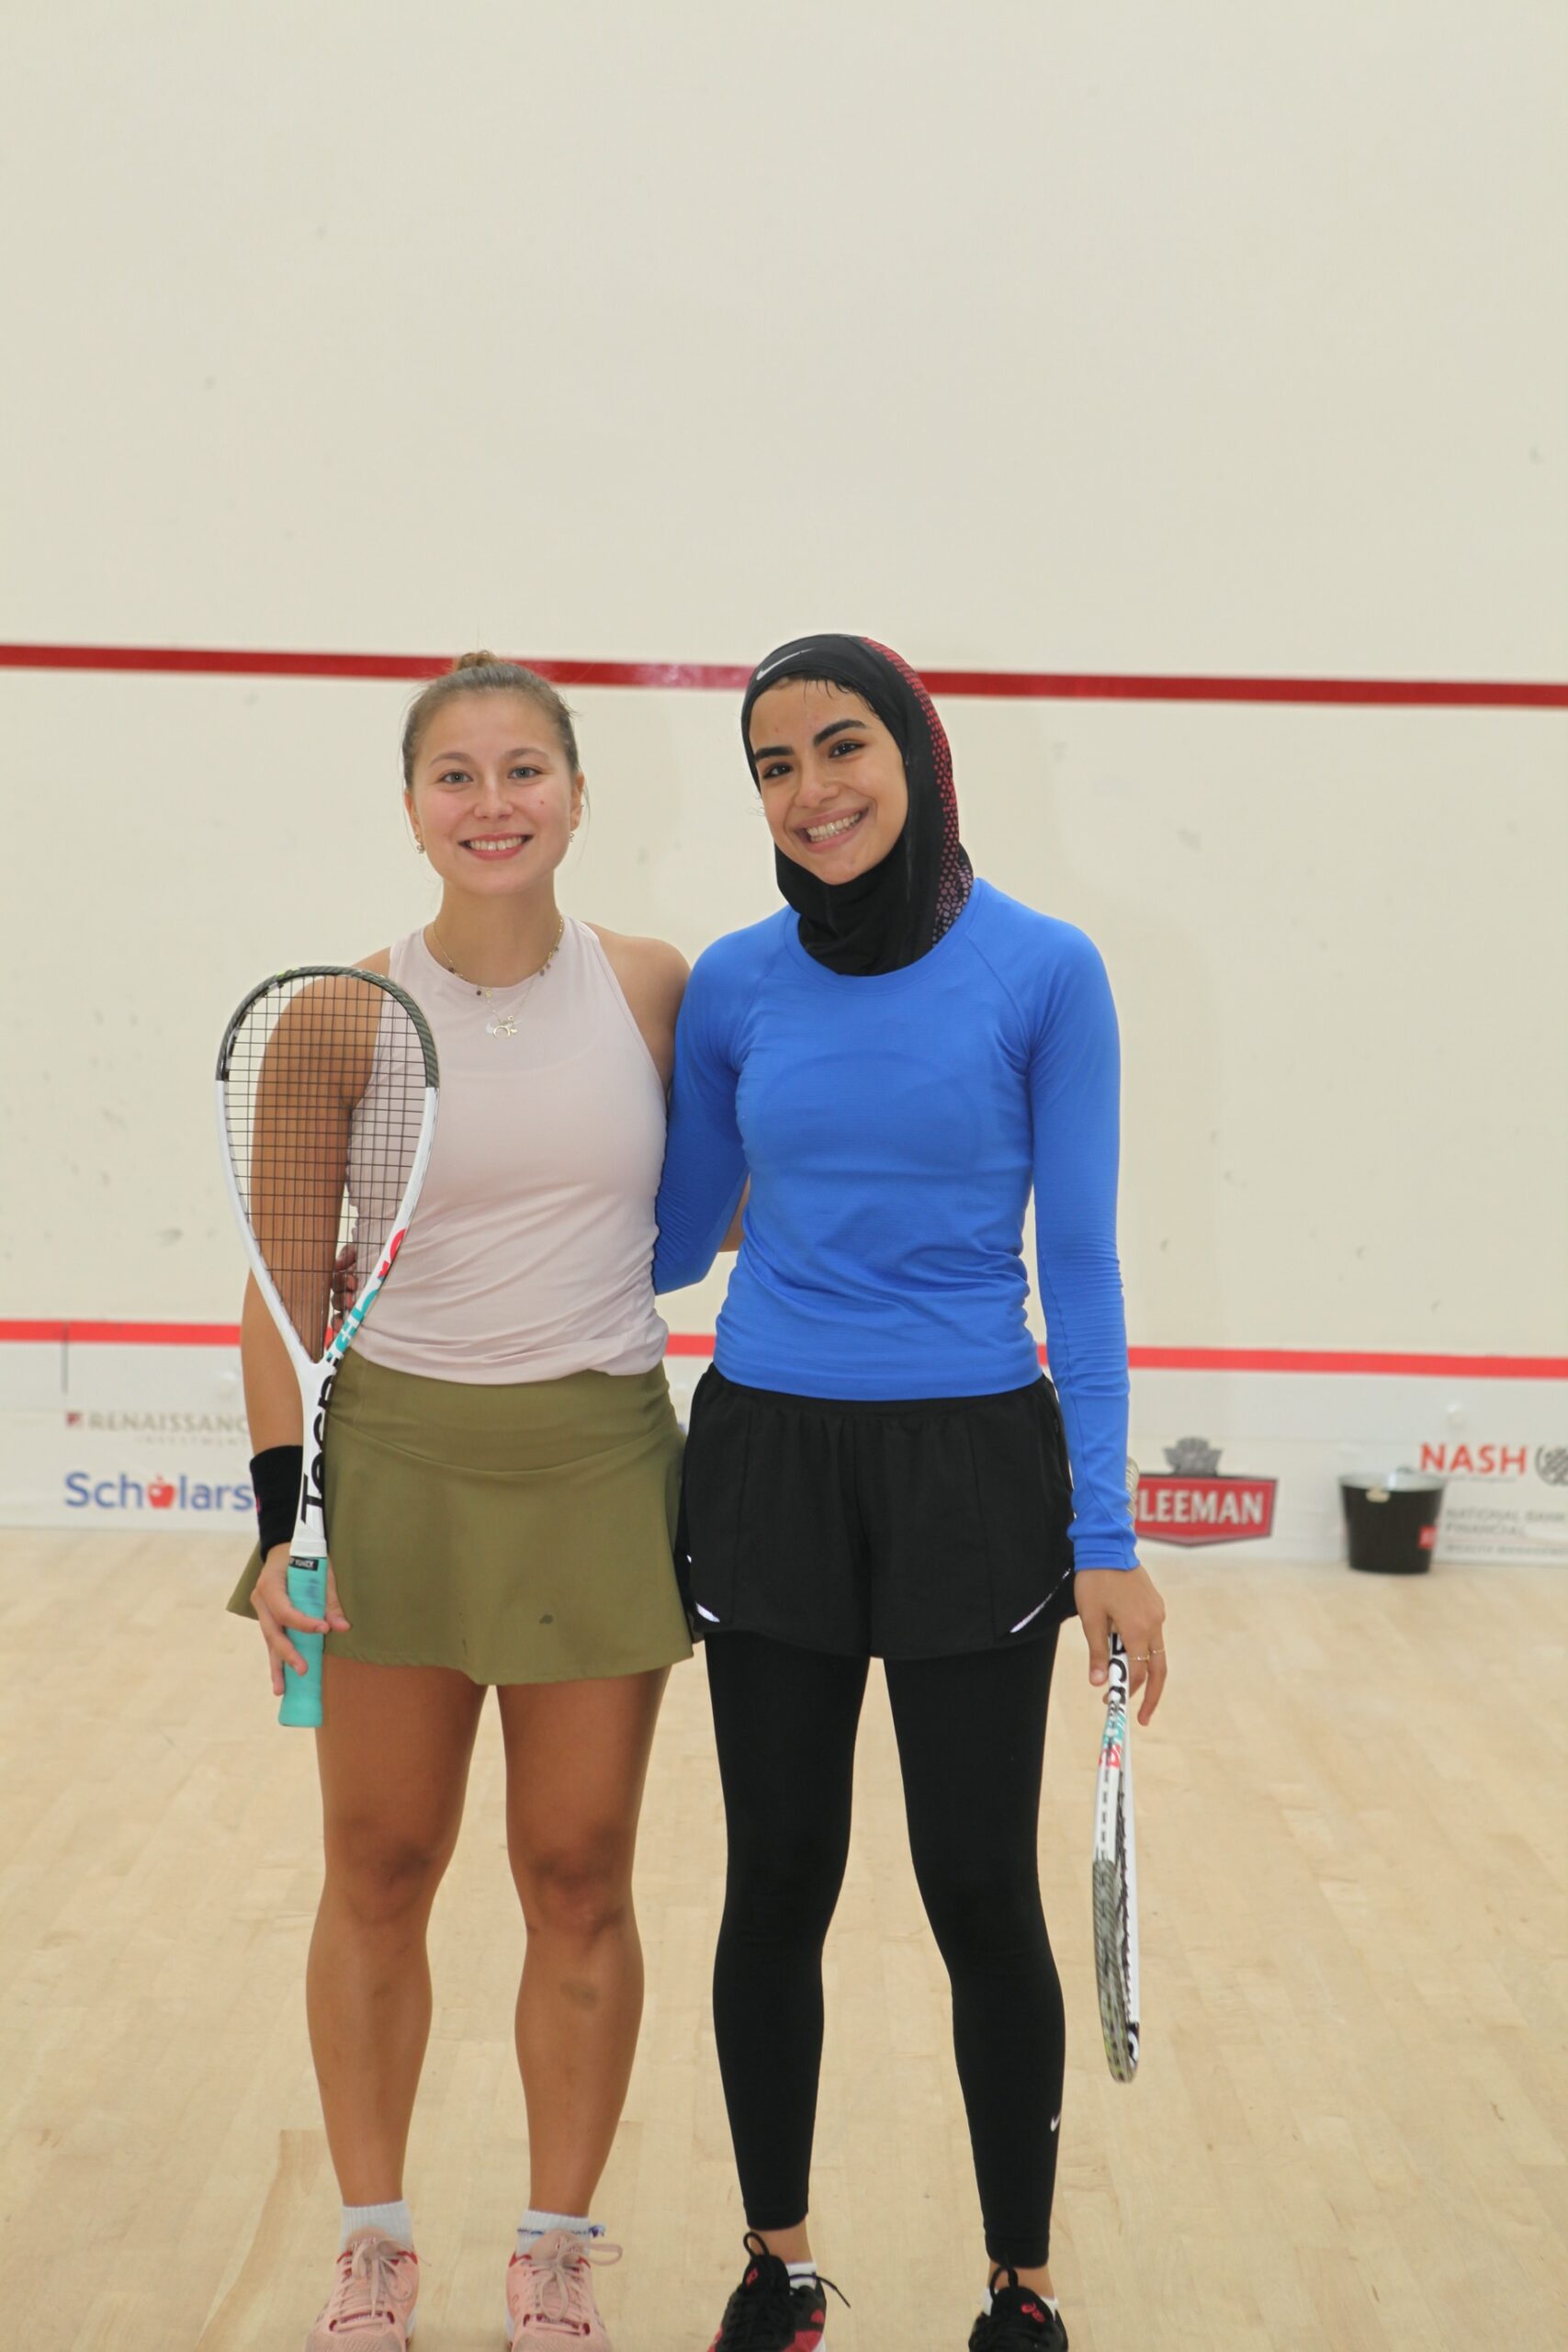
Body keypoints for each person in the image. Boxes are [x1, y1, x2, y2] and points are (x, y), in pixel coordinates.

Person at [652, 635, 1168, 2352]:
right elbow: (668, 1239)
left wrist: (1109, 1538)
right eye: (773, 765)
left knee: (978, 1893)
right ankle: (777, 2264)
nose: (811, 791)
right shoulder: (733, 986)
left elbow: (1079, 1263)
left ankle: (1022, 2288)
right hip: (768, 1461)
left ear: (918, 754)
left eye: (841, 746)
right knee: (776, 1881)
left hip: (973, 1472)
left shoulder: (1045, 971)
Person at [230, 653, 693, 2352]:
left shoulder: (654, 989)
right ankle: (373, 2244)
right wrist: (280, 1526)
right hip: (395, 1472)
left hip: (599, 1467)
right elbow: (281, 1292)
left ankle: (555, 2252)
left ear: (576, 793)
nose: (492, 804)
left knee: (578, 1874)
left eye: (522, 770)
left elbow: (713, 1199)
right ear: (413, 808)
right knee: (380, 1863)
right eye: (456, 775)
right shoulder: (340, 1016)